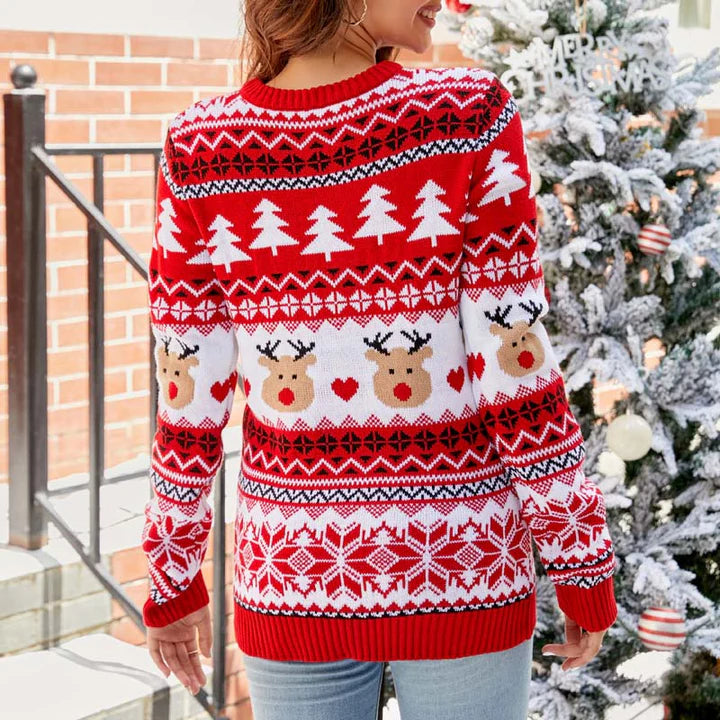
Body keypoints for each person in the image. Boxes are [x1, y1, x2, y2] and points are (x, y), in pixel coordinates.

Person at [141, 1, 619, 718]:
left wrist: (172, 574)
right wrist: (577, 554)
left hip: (292, 570)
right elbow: (516, 371)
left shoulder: (200, 147)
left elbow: (187, 396)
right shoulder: (466, 115)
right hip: (461, 566)